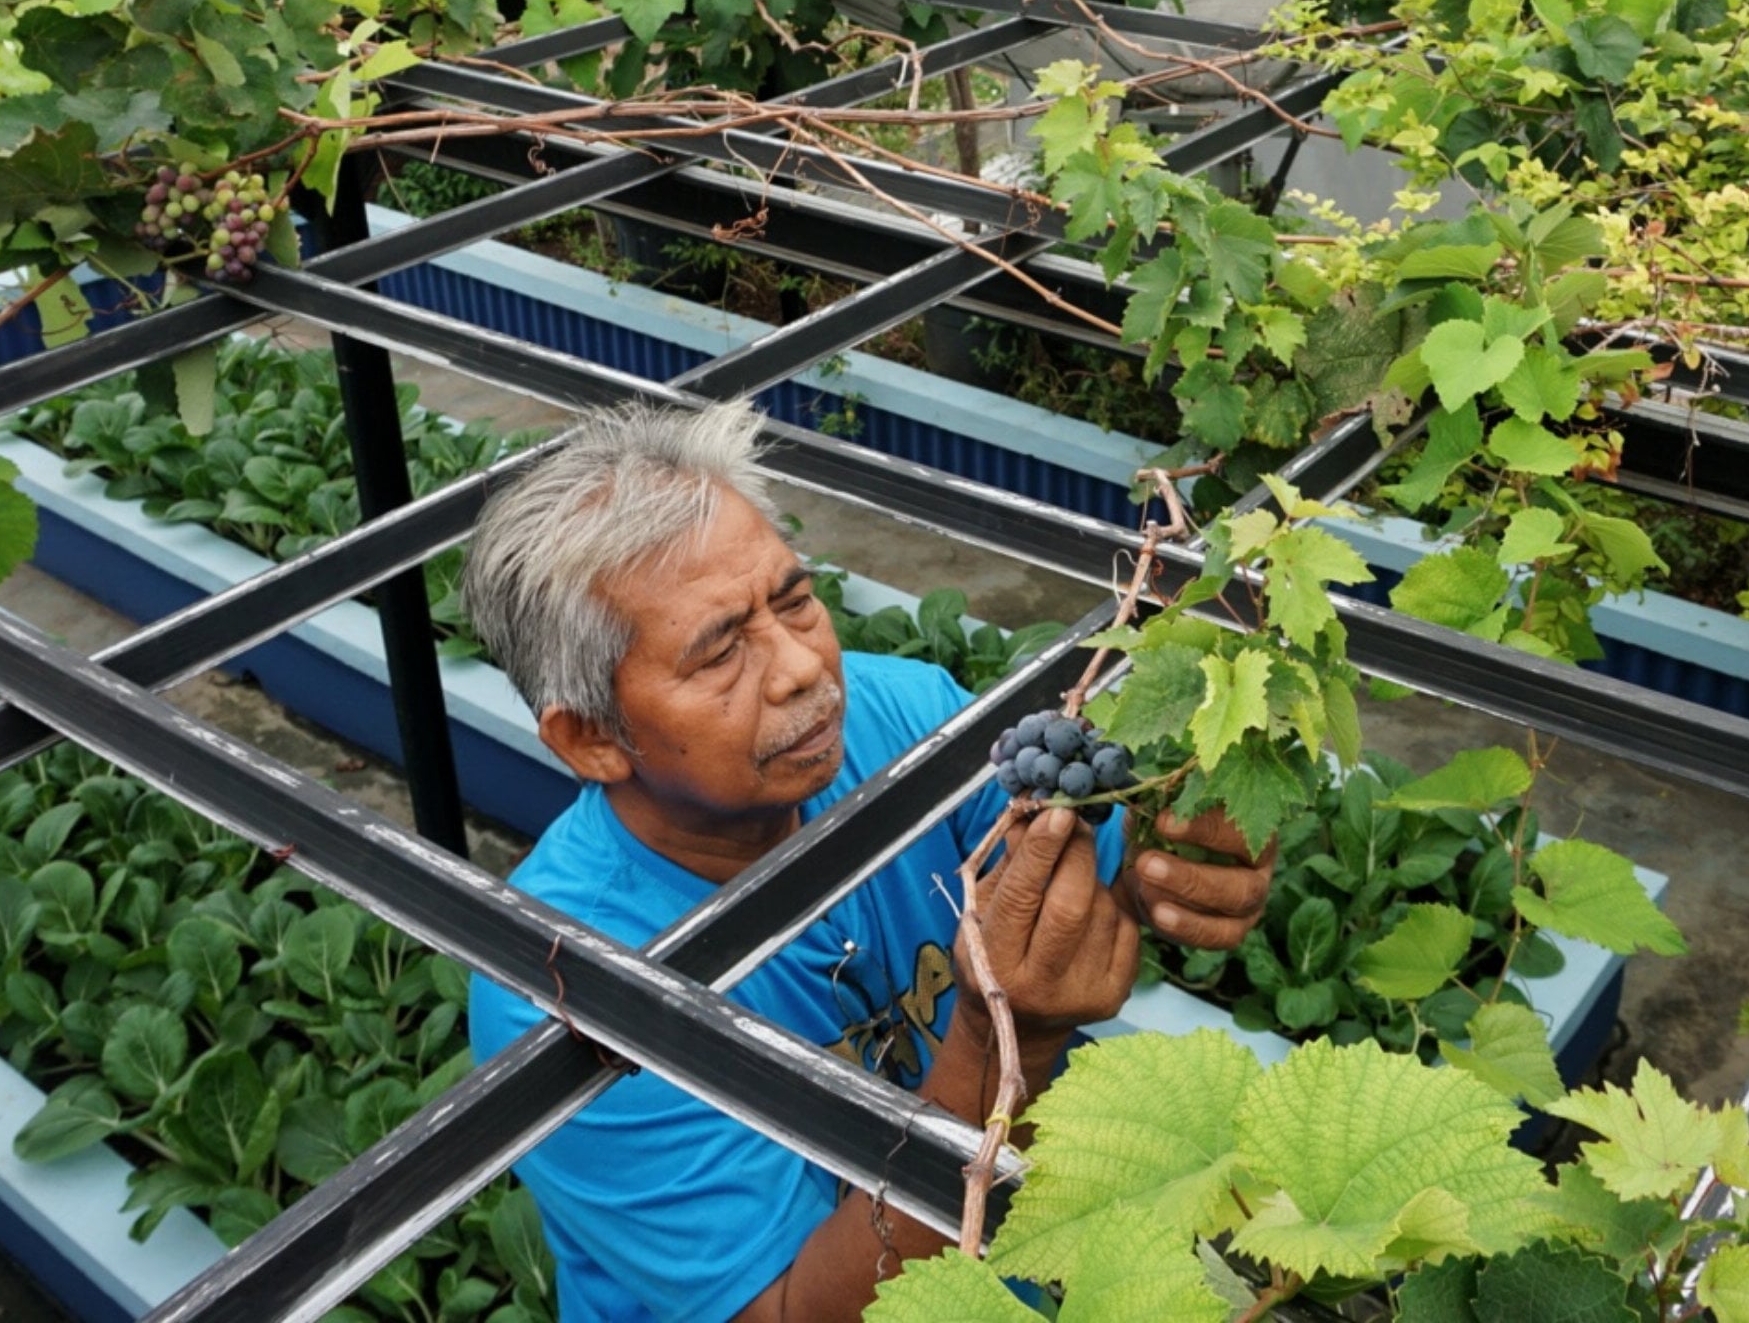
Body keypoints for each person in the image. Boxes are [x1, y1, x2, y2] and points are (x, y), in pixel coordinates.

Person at [464, 401, 1274, 1323]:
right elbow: (793, 1316)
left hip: (1033, 1256)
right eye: (719, 649)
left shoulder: (908, 724)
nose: (803, 668)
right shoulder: (570, 992)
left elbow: (1104, 886)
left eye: (795, 601)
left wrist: (1177, 871)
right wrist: (1002, 1037)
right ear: (593, 741)